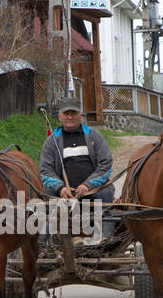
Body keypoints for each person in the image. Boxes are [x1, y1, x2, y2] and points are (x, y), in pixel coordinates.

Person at [40, 101, 114, 236]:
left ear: (80, 116)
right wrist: (60, 187)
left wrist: (88, 185)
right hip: (63, 192)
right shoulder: (51, 141)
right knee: (46, 195)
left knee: (105, 194)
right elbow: (45, 171)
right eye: (66, 114)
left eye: (73, 113)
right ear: (60, 116)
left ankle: (106, 239)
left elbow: (106, 166)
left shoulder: (95, 136)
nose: (70, 117)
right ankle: (45, 242)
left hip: (93, 190)